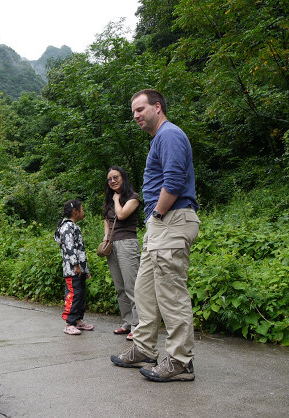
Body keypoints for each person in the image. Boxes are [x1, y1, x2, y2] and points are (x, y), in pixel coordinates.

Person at [111, 89, 200, 382]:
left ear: (157, 107)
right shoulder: (159, 139)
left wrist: (158, 215)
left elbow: (174, 180)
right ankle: (145, 350)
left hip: (171, 219)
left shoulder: (170, 134)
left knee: (171, 294)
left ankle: (180, 361)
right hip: (160, 224)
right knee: (146, 291)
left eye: (140, 109)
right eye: (133, 111)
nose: (135, 115)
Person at [102, 166, 141, 341]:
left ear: (123, 177)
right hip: (113, 245)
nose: (112, 181)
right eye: (109, 179)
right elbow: (107, 221)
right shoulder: (108, 202)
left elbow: (122, 215)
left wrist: (117, 199)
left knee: (131, 286)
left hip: (127, 244)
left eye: (115, 177)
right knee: (120, 287)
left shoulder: (133, 198)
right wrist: (105, 238)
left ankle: (138, 325)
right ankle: (128, 322)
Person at [53, 199, 94, 335]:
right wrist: (76, 265)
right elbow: (69, 248)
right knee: (73, 295)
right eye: (82, 209)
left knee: (81, 295)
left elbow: (80, 250)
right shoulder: (67, 227)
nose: (83, 212)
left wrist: (85, 269)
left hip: (79, 269)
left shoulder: (74, 226)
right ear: (75, 212)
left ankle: (77, 320)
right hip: (72, 269)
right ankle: (69, 323)